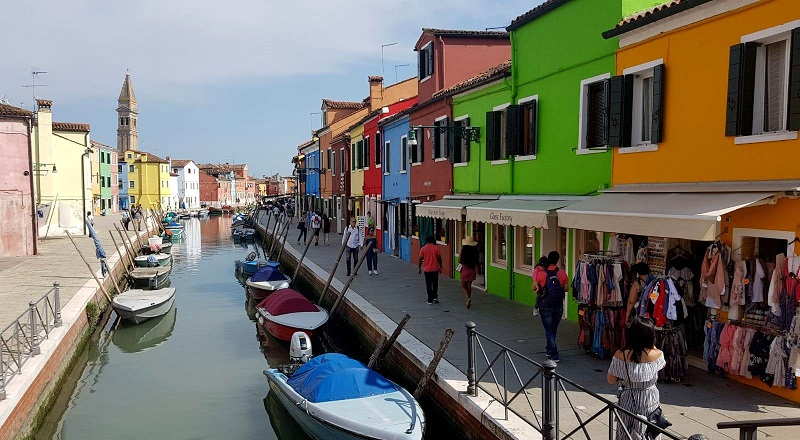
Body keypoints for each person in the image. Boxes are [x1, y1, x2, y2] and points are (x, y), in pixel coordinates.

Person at [607, 317, 666, 440]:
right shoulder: (657, 354)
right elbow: (661, 363)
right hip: (650, 400)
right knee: (649, 432)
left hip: (628, 401)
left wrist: (622, 378)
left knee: (625, 433)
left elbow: (611, 380)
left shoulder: (621, 354)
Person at [534, 250, 569, 362]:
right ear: (558, 260)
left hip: (545, 305)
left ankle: (554, 354)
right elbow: (567, 288)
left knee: (548, 330)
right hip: (558, 305)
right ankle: (549, 350)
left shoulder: (541, 273)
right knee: (553, 329)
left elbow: (534, 288)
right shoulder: (562, 273)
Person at [418, 236, 442, 305]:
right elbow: (439, 258)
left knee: (428, 284)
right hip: (435, 269)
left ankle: (429, 299)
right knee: (435, 284)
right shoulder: (436, 248)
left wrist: (419, 268)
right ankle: (435, 297)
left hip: (427, 270)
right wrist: (440, 266)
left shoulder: (423, 249)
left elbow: (420, 259)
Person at [458, 236, 479, 309]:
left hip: (465, 269)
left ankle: (468, 297)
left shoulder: (463, 250)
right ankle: (469, 298)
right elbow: (477, 261)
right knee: (469, 284)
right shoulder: (475, 251)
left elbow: (459, 260)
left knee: (463, 284)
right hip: (472, 269)